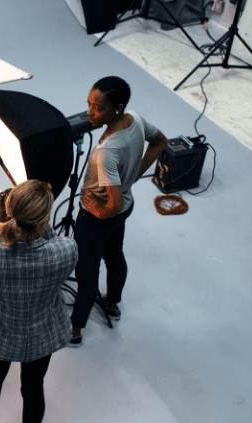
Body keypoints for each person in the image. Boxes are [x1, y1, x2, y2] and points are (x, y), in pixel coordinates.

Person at [69, 76, 168, 346]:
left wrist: (93, 215)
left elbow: (112, 204)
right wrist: (134, 176)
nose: (90, 112)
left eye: (97, 108)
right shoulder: (134, 118)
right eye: (89, 105)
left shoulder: (106, 152)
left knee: (86, 272)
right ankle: (112, 303)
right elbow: (160, 141)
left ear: (117, 107)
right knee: (114, 254)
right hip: (126, 205)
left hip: (100, 214)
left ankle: (75, 330)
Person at [0, 180, 79, 423]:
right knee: (33, 390)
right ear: (45, 217)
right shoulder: (67, 249)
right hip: (42, 335)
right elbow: (47, 241)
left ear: (10, 212)